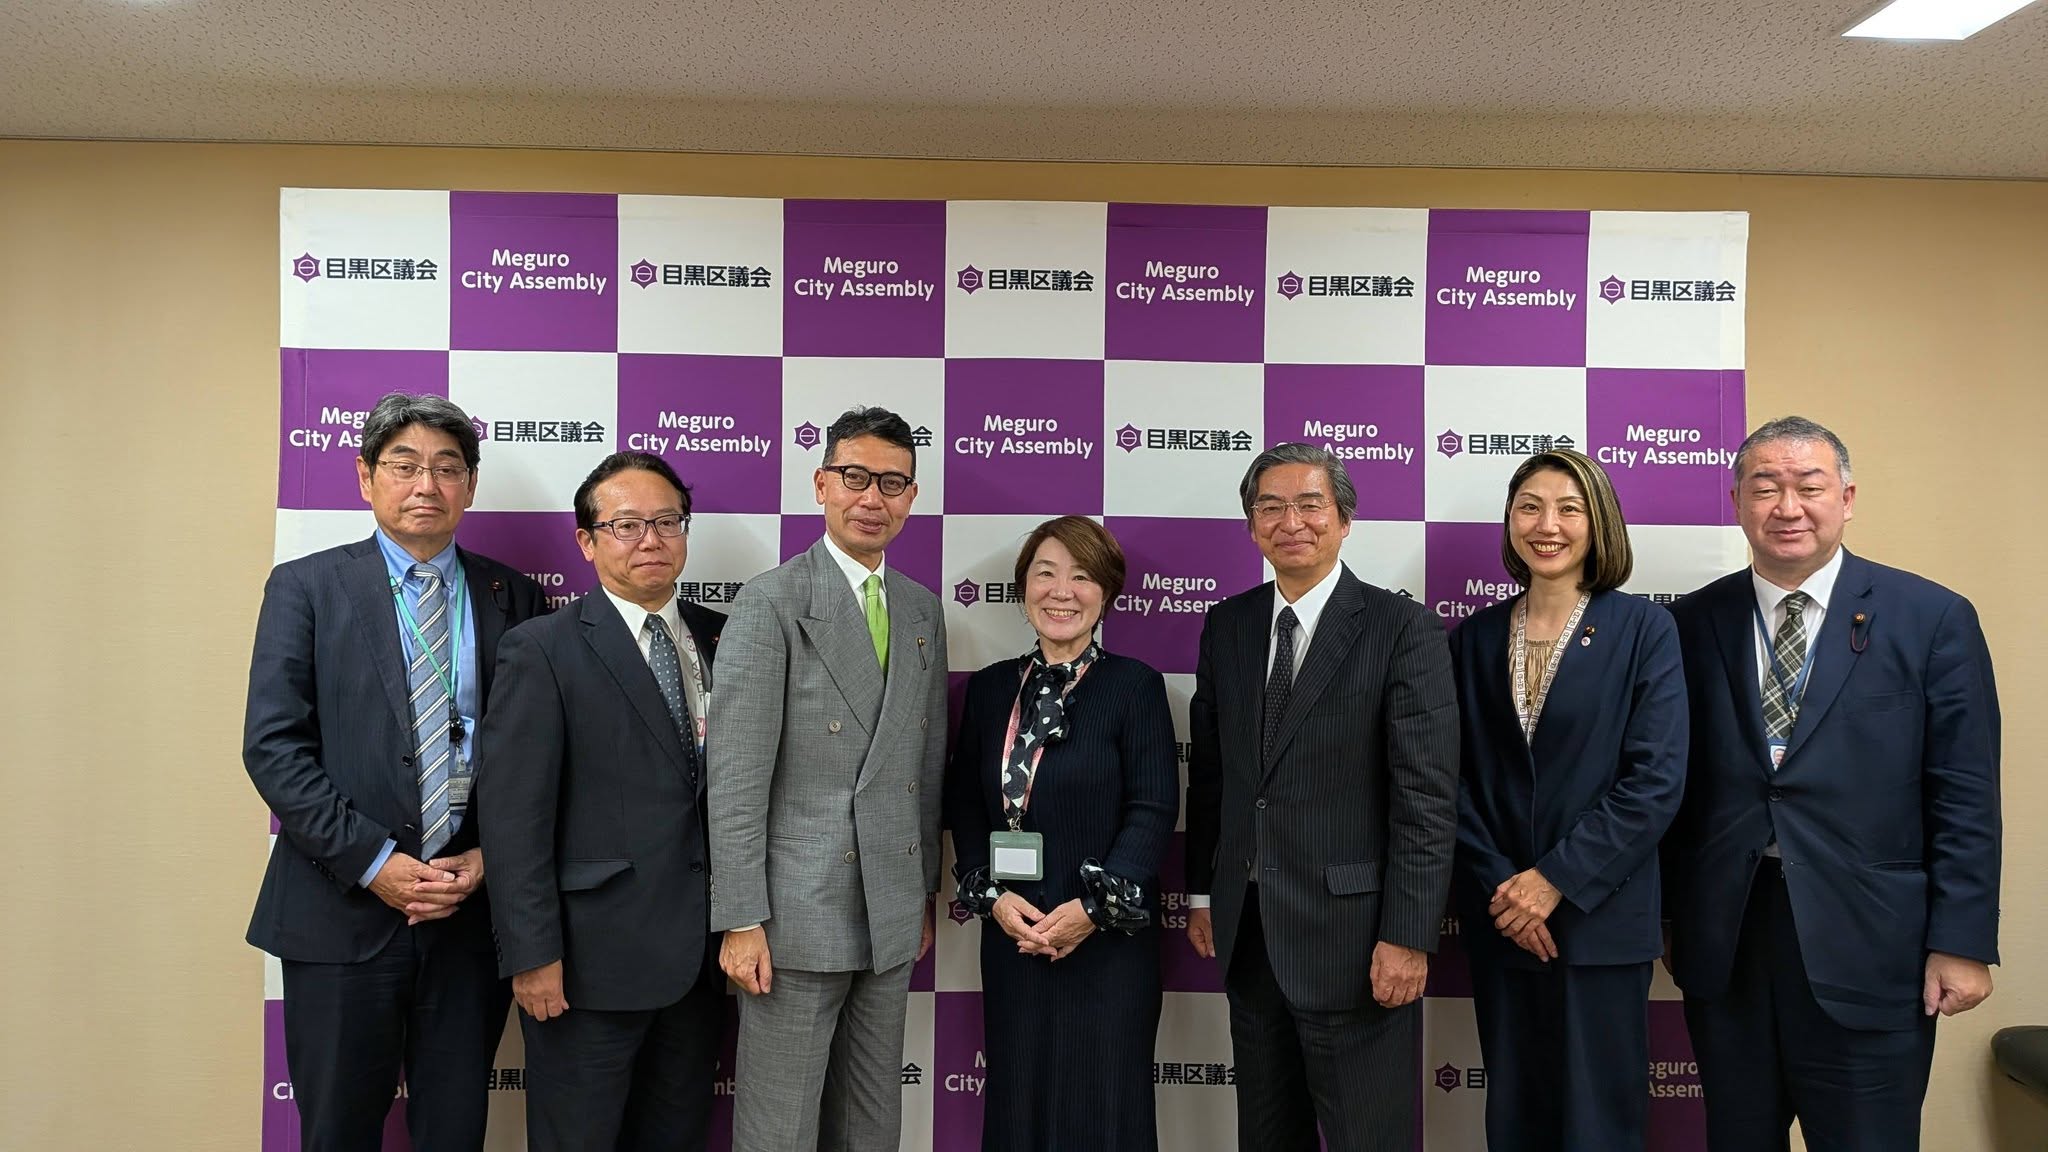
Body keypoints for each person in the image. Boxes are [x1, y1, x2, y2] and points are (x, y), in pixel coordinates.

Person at [1664, 416, 2001, 1152]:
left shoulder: (1931, 618)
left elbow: (1965, 792)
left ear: (1846, 499)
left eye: (1809, 487)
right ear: (1736, 501)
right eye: (1766, 487)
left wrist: (1962, 940)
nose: (1788, 507)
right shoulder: (1689, 623)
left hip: (1874, 944)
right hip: (1729, 941)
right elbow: (1668, 785)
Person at [242, 392, 547, 1152]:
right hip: (339, 911)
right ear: (365, 478)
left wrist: (490, 857)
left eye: (447, 468)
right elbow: (274, 746)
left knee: (455, 1131)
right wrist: (375, 863)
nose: (426, 485)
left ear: (470, 485)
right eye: (404, 466)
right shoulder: (306, 587)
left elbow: (538, 755)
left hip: (468, 917)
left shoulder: (514, 596)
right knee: (339, 1131)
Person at [1184, 442, 1460, 1152]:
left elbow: (1425, 797)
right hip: (1251, 936)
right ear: (1251, 525)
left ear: (1344, 520)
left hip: (1357, 943)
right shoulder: (1229, 625)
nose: (1291, 522)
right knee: (1266, 1136)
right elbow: (1213, 774)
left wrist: (1408, 934)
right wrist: (1203, 893)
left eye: (1310, 504)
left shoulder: (1402, 629)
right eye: (1270, 507)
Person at [708, 406, 949, 1152]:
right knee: (778, 1129)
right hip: (793, 917)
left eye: (892, 483)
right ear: (821, 485)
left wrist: (921, 894)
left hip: (890, 909)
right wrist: (741, 918)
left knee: (871, 1123)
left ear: (912, 497)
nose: (872, 498)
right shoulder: (771, 602)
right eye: (854, 477)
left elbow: (923, 767)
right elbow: (737, 779)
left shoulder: (921, 609)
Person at [479, 452, 725, 1151]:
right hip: (586, 968)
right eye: (626, 525)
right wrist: (531, 955)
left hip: (701, 963)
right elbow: (513, 817)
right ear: (586, 542)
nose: (651, 539)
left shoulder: (727, 637)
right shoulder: (542, 648)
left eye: (667, 522)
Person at [1449, 449, 1686, 1152]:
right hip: (1502, 919)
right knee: (1515, 1120)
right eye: (1529, 507)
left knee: (1598, 1126)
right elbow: (1448, 781)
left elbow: (1655, 780)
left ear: (1598, 522)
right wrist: (1505, 889)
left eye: (1568, 508)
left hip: (1599, 919)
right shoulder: (1473, 638)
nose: (1546, 525)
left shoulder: (1644, 630)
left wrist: (1552, 881)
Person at [946, 516, 1178, 1151]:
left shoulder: (1135, 685)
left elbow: (1153, 808)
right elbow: (965, 804)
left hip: (1107, 940)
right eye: (1045, 574)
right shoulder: (991, 688)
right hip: (1015, 933)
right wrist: (993, 899)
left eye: (1081, 577)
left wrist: (1093, 910)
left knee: (1105, 1108)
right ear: (1023, 588)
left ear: (1106, 593)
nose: (1061, 591)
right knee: (1018, 1103)